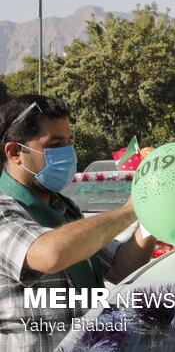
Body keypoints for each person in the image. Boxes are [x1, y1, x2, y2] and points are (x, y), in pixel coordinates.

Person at [0, 95, 157, 351]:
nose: (68, 151)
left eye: (69, 141)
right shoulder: (4, 210)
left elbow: (119, 269)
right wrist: (130, 210)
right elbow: (51, 254)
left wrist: (151, 215)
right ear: (15, 152)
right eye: (55, 143)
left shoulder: (65, 208)